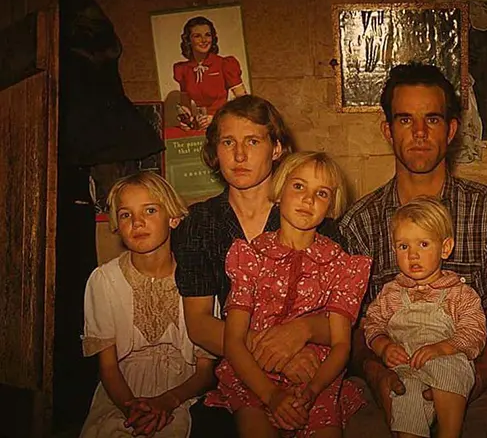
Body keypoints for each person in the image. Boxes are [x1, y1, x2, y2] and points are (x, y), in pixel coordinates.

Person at [339, 63, 487, 437]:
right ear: (388, 130)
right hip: (391, 379)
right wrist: (377, 375)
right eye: (406, 120)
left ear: (452, 130)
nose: (420, 133)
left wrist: (471, 383)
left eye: (433, 119)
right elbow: (354, 324)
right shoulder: (357, 223)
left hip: (474, 379)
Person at [173, 95, 344, 436]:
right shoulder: (200, 224)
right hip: (239, 372)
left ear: (277, 148)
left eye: (252, 141)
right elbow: (199, 323)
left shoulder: (314, 219)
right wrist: (275, 353)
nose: (239, 155)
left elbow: (345, 320)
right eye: (227, 142)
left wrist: (303, 331)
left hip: (313, 368)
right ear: (214, 151)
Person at [204, 152, 372, 437]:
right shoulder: (250, 256)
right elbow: (233, 340)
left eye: (321, 193)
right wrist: (271, 395)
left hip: (315, 377)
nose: (308, 199)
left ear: (331, 206)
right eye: (298, 187)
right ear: (279, 191)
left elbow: (342, 344)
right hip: (253, 377)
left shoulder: (343, 265)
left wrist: (313, 390)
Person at [80, 172, 215, 437]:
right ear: (117, 225)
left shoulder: (199, 280)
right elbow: (107, 367)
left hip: (183, 391)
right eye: (126, 214)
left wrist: (168, 401)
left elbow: (205, 371)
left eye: (150, 210)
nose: (137, 222)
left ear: (173, 218)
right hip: (121, 391)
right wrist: (133, 410)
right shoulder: (104, 280)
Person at [363, 196, 487, 438]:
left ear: (445, 248)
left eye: (423, 244)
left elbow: (474, 331)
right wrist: (383, 346)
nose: (413, 255)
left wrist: (444, 347)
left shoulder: (458, 293)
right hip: (406, 368)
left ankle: (450, 432)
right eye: (403, 246)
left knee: (449, 369)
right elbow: (372, 323)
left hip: (445, 361)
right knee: (403, 394)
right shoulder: (391, 292)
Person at [173, 16, 247, 130]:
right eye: (197, 36)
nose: (204, 40)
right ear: (188, 40)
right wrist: (187, 120)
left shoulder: (225, 64)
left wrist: (216, 118)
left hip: (223, 125)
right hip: (200, 126)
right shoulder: (183, 69)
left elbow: (245, 102)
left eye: (207, 35)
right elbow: (185, 105)